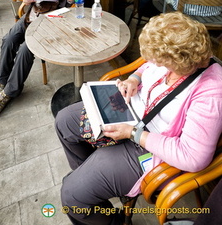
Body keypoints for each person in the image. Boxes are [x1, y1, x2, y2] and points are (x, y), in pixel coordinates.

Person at [55, 12, 222, 225]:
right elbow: (147, 65)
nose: (153, 63)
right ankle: (90, 180)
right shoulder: (174, 57)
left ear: (175, 61)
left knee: (72, 196)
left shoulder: (211, 91)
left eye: (159, 60)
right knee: (64, 121)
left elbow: (193, 157)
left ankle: (114, 219)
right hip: (130, 111)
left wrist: (133, 134)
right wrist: (134, 79)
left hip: (149, 146)